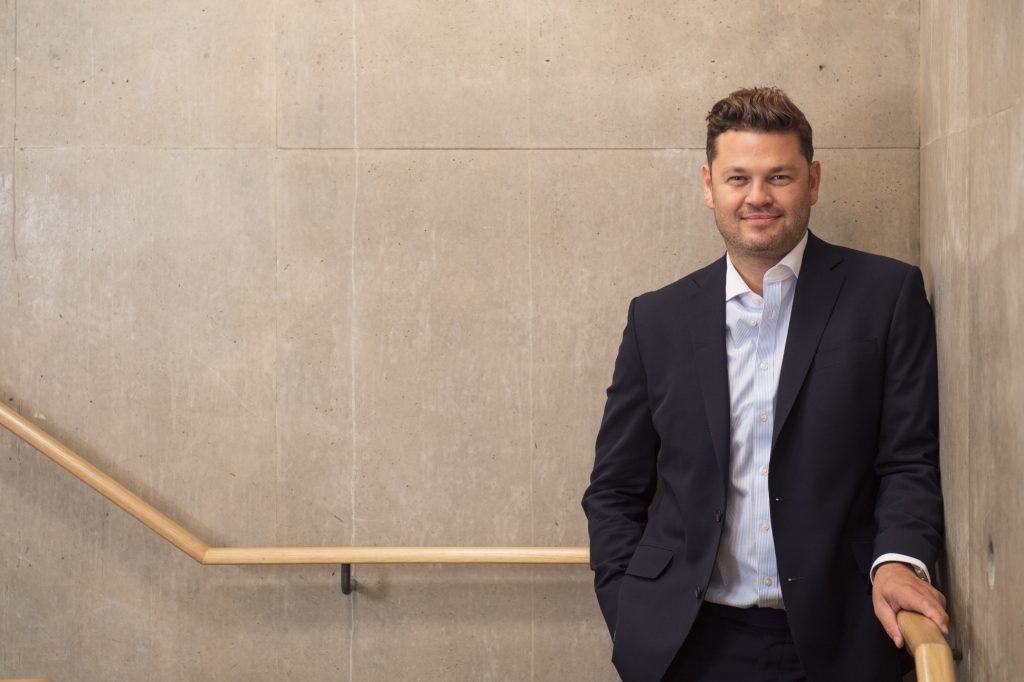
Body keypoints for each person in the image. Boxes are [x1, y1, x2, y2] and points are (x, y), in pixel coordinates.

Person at [581, 86, 947, 682]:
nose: (758, 197)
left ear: (813, 180)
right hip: (687, 645)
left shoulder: (886, 296)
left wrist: (899, 560)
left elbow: (909, 460)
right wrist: (629, 608)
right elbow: (614, 490)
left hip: (842, 639)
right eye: (737, 178)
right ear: (708, 186)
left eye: (779, 176)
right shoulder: (657, 319)